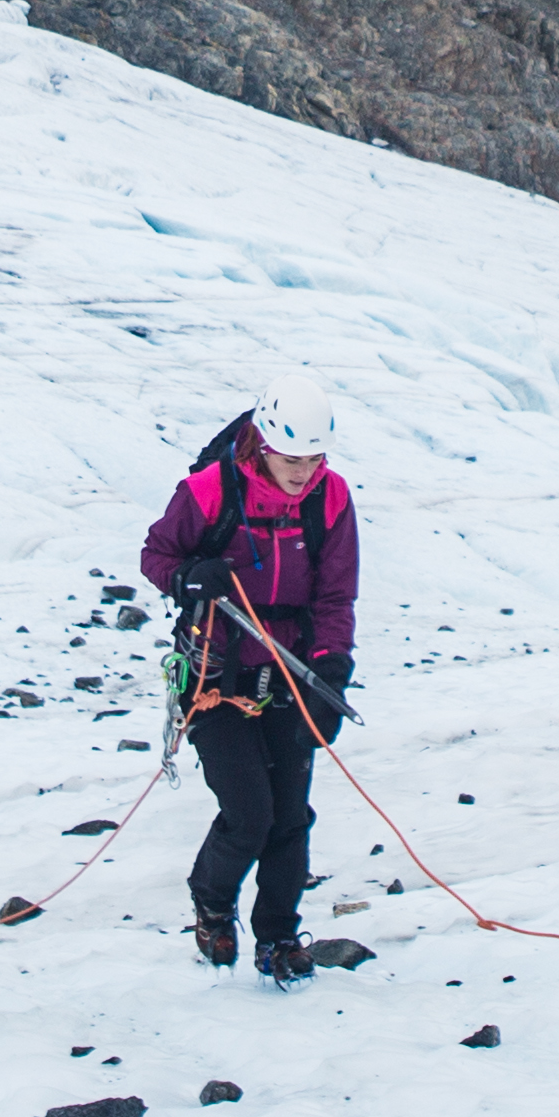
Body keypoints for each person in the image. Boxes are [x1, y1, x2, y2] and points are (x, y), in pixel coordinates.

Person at [140, 379, 358, 979]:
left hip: (290, 676)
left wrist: (331, 670)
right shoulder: (209, 492)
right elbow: (156, 556)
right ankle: (212, 902)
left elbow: (335, 596)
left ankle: (278, 939)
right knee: (249, 814)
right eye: (292, 460)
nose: (304, 473)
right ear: (263, 443)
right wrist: (189, 576)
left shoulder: (331, 498)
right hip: (216, 674)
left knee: (290, 816)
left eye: (314, 458)